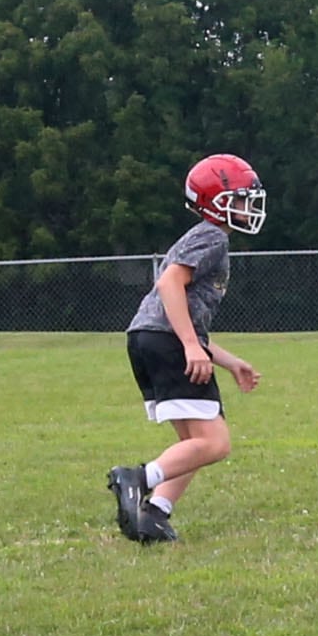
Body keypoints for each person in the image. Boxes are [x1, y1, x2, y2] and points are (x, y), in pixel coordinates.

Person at [106, 154, 264, 544]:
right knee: (214, 443)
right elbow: (169, 285)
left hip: (148, 339)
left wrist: (226, 360)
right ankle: (137, 479)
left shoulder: (205, 238)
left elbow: (178, 314)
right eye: (241, 198)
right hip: (167, 342)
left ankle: (155, 515)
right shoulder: (211, 236)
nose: (249, 207)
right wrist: (192, 347)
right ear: (216, 200)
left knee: (193, 443)